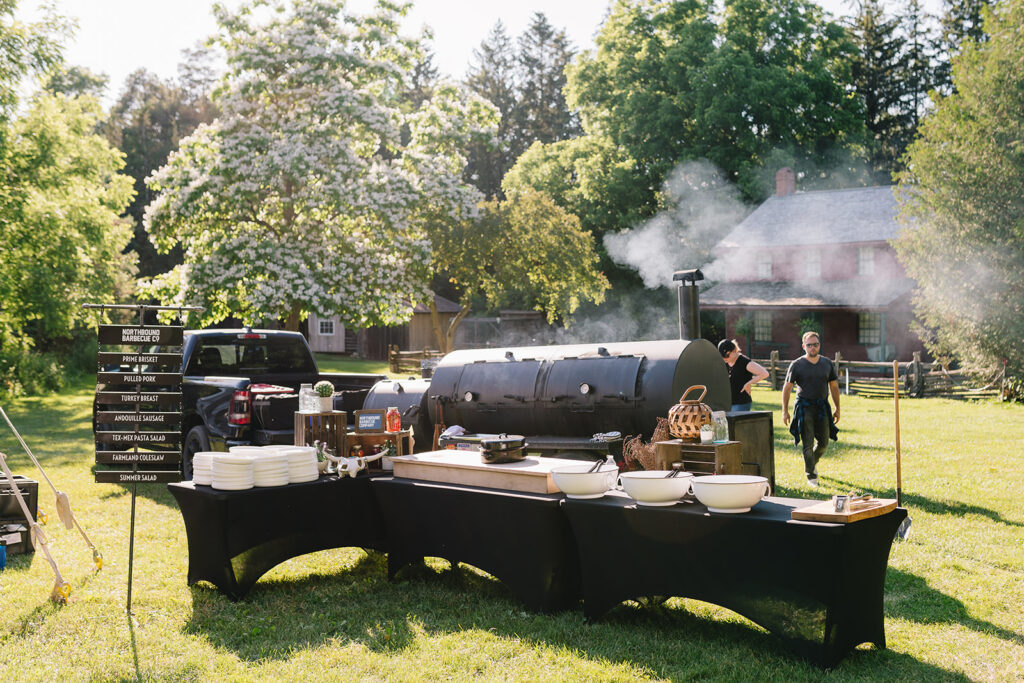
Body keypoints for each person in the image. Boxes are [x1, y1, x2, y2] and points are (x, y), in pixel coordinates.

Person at [781, 331, 840, 487]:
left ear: (819, 345)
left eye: (815, 344)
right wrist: (784, 411)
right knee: (807, 443)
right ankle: (811, 476)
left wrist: (838, 408)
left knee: (824, 442)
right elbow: (787, 388)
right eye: (809, 345)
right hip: (804, 407)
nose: (813, 347)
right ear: (803, 346)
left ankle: (811, 463)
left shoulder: (827, 363)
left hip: (822, 406)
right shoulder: (797, 364)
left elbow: (833, 386)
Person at [717, 339, 769, 412]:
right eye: (722, 356)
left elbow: (764, 373)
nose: (725, 358)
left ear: (734, 350)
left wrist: (749, 383)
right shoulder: (725, 362)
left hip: (741, 403)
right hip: (726, 403)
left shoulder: (744, 362)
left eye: (727, 355)